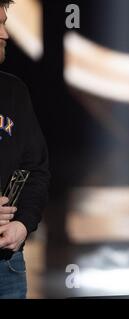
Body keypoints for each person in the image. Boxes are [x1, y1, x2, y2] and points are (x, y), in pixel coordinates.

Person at [0, 0, 50, 298]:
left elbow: (36, 169)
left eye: (4, 23)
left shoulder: (14, 92)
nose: (5, 34)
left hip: (7, 265)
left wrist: (23, 224)